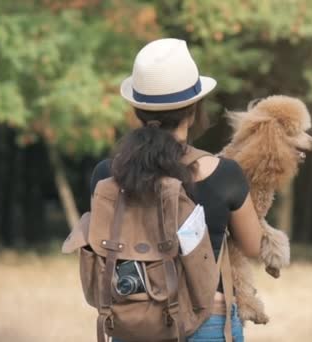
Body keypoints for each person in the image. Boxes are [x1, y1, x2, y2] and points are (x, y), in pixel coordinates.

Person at [89, 38, 263, 342]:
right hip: (207, 321)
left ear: (136, 111)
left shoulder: (107, 175)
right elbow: (253, 247)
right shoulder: (224, 174)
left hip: (134, 325)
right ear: (194, 110)